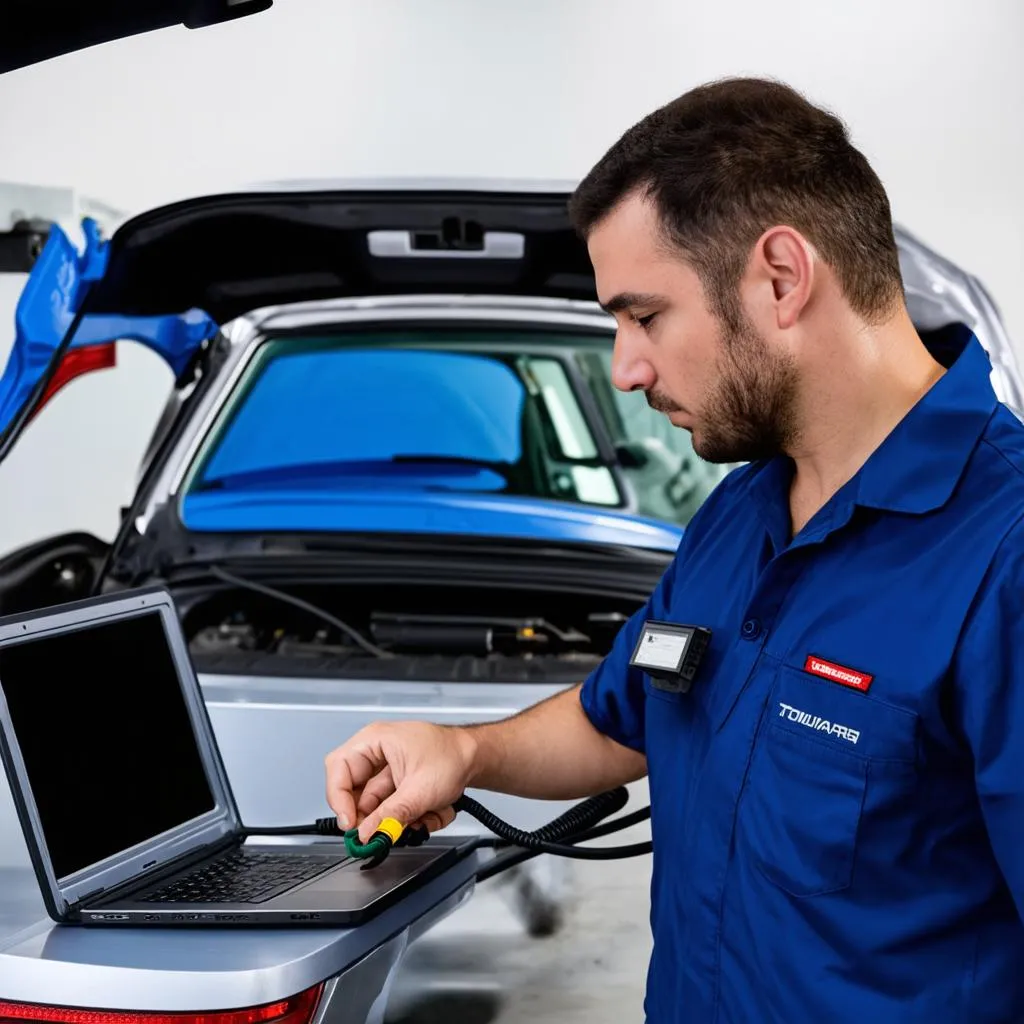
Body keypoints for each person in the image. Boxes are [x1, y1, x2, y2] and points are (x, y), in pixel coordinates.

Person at [324, 77, 1024, 1022]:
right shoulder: (740, 514)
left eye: (644, 316)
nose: (627, 368)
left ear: (781, 277)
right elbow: (627, 720)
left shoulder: (1005, 553)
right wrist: (461, 750)